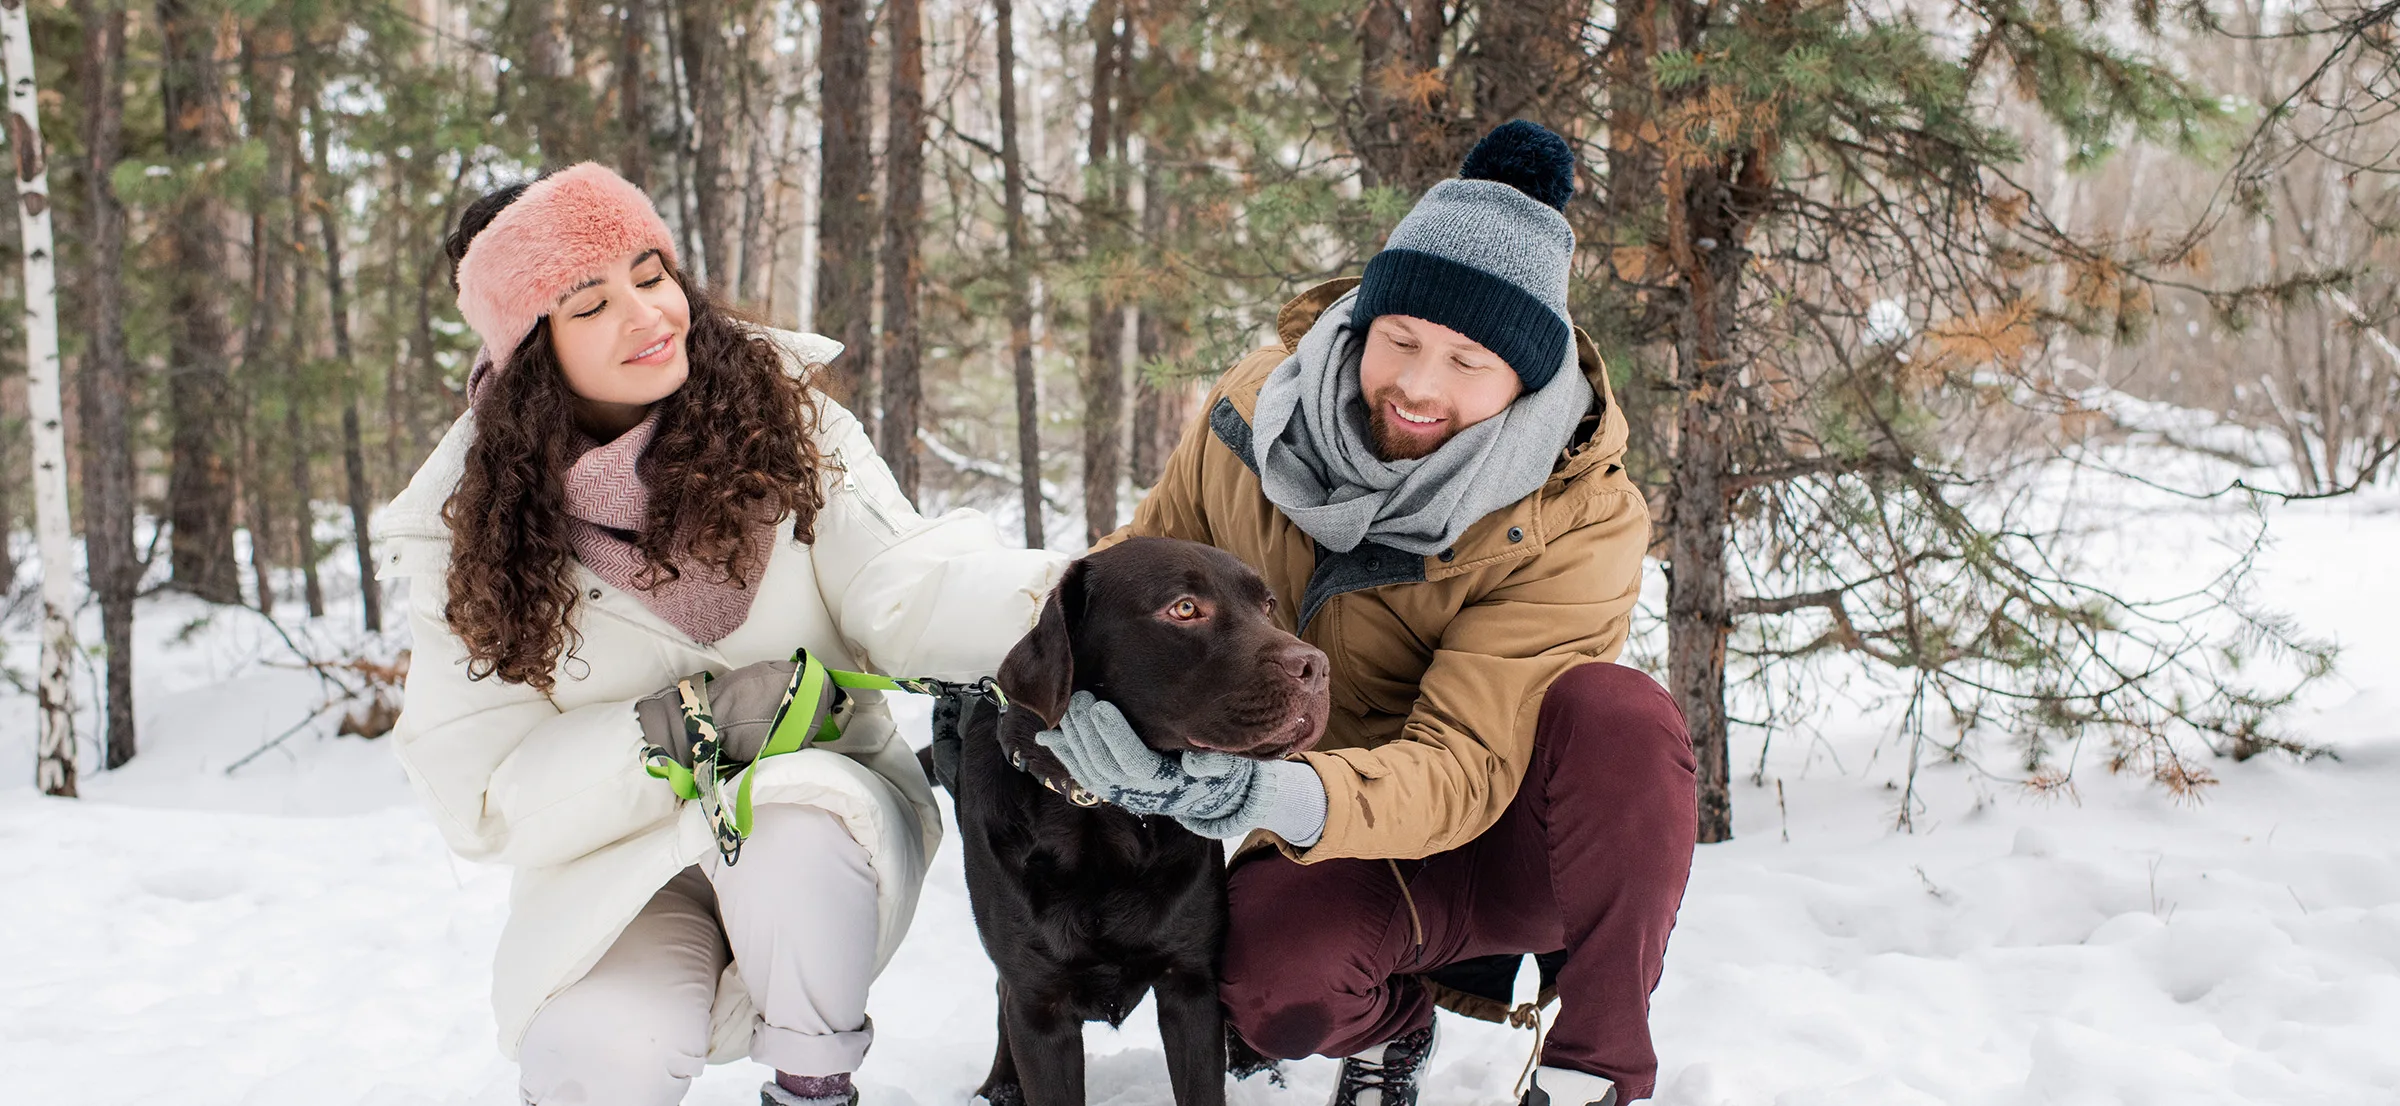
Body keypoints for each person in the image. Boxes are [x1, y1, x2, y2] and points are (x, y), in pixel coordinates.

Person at [1033, 121, 1698, 1105]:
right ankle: (1390, 1023)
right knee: (1258, 982)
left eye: (1471, 360)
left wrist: (1259, 793)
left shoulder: (1583, 514)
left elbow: (1468, 759)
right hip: (1337, 851)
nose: (1421, 385)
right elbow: (1132, 568)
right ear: (1361, 324)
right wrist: (1037, 670)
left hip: (1508, 836)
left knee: (1621, 716)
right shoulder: (1249, 419)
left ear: (1530, 376)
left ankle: (1593, 1067)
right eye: (1401, 340)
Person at [376, 163, 1062, 1106]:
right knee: (598, 1055)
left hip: (815, 832)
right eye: (589, 304)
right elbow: (480, 792)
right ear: (531, 349)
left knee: (791, 816)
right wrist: (675, 731)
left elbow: (907, 584)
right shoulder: (467, 525)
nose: (647, 315)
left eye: (651, 274)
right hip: (620, 870)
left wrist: (1077, 602)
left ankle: (813, 1089)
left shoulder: (786, 417)